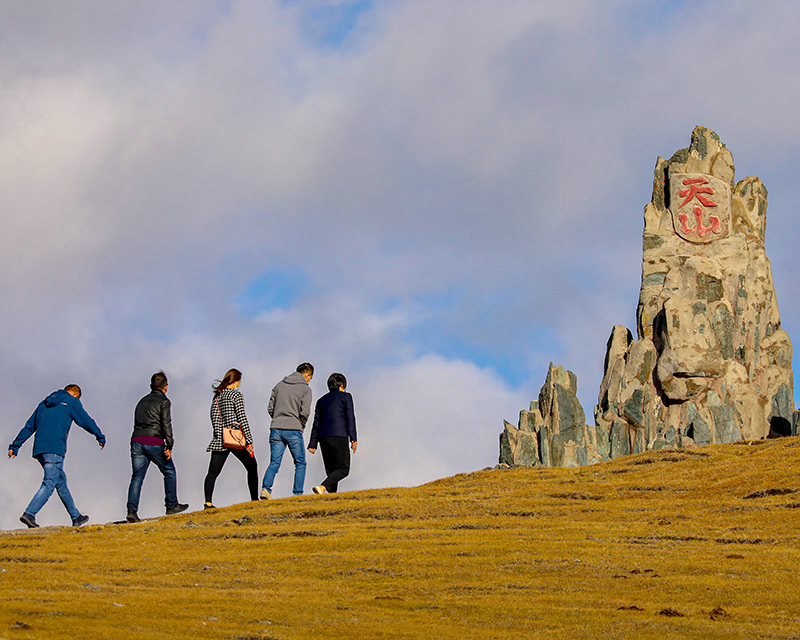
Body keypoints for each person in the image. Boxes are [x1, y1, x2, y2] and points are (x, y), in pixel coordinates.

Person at [8, 384, 105, 528]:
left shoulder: (44, 403)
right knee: (49, 482)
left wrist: (15, 446)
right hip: (55, 449)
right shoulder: (72, 401)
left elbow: (29, 426)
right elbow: (85, 420)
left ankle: (76, 516)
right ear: (76, 395)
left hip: (40, 449)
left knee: (60, 481)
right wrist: (99, 435)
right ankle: (30, 513)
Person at [125, 371, 188, 523]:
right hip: (153, 441)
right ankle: (171, 505)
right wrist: (169, 444)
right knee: (169, 471)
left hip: (136, 440)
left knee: (137, 477)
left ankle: (131, 511)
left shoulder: (141, 401)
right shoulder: (164, 401)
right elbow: (166, 423)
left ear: (151, 386)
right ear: (165, 387)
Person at [203, 368, 258, 508]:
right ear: (235, 381)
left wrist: (219, 434)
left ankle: (208, 502)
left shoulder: (217, 396)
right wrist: (249, 440)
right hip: (236, 438)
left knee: (213, 472)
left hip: (221, 439)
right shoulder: (236, 395)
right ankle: (254, 499)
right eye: (239, 381)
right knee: (252, 466)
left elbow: (214, 417)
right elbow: (242, 418)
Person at [260, 363, 314, 499]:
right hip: (293, 428)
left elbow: (270, 408)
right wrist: (300, 425)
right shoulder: (305, 389)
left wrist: (278, 418)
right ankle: (297, 494)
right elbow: (305, 412)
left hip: (276, 428)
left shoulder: (279, 385)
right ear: (307, 375)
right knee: (300, 462)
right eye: (310, 378)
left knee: (274, 462)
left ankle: (265, 489)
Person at [308, 373, 357, 495]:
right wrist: (353, 439)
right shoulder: (346, 397)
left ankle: (331, 497)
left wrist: (312, 443)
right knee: (343, 469)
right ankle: (322, 487)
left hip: (323, 439)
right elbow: (350, 418)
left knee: (331, 472)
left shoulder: (321, 401)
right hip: (339, 435)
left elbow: (316, 423)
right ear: (341, 385)